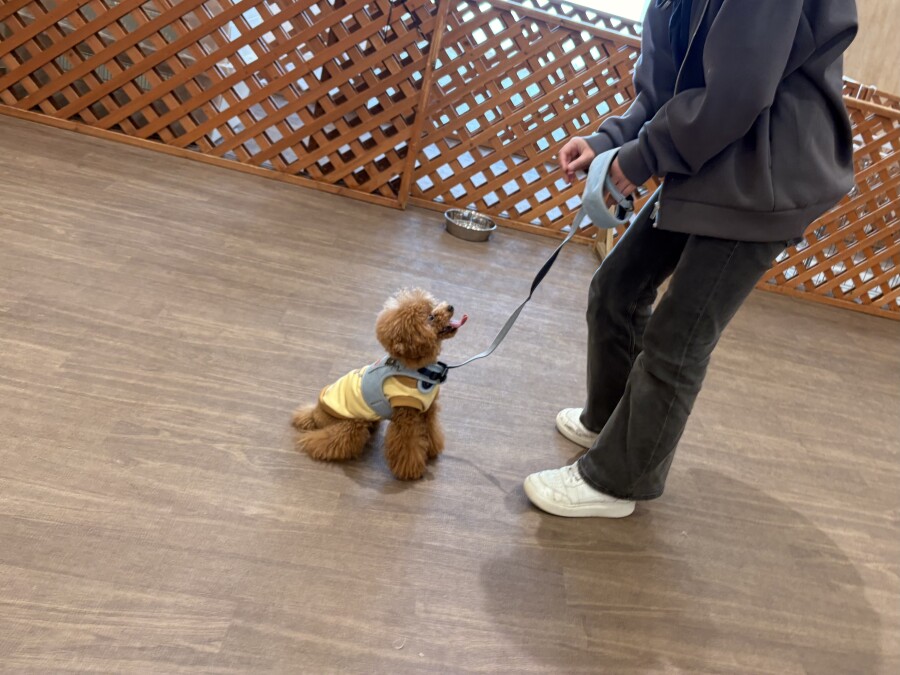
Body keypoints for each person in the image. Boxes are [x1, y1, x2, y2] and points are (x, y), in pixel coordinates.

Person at [523, 0, 859, 518]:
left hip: (766, 174)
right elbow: (664, 84)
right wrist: (612, 139)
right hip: (711, 155)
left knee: (679, 337)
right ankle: (611, 426)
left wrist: (640, 158)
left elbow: (739, 92)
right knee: (616, 289)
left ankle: (619, 480)